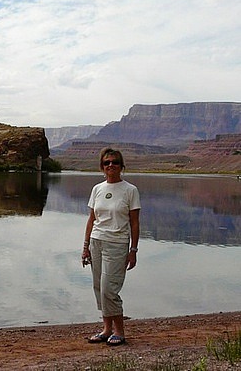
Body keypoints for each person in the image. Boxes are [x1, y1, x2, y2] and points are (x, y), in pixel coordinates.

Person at [82, 147, 141, 346]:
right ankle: (106, 329)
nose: (110, 166)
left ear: (121, 166)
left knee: (109, 289)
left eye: (114, 162)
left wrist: (133, 251)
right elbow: (91, 219)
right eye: (106, 163)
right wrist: (85, 246)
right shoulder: (97, 189)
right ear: (102, 166)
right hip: (96, 242)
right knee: (99, 287)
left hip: (117, 244)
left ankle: (120, 332)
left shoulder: (130, 190)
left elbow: (134, 223)